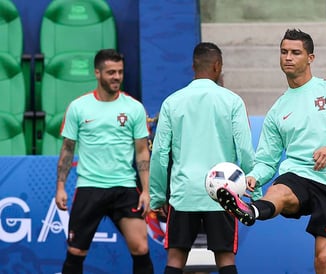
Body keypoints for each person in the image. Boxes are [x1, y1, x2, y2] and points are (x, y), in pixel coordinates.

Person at [216, 29, 326, 274]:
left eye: (295, 52)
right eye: (284, 52)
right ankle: (250, 211)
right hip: (298, 175)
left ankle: (255, 210)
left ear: (310, 58)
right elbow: (266, 161)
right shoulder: (277, 110)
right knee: (280, 191)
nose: (288, 57)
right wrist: (254, 177)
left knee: (324, 258)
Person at [149, 42, 257, 274]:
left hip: (184, 193)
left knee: (176, 258)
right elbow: (245, 150)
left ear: (193, 67)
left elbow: (159, 155)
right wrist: (252, 188)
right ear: (218, 66)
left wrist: (158, 196)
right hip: (223, 192)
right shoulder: (232, 101)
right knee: (225, 258)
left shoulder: (172, 102)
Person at [54, 49, 154, 274]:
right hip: (90, 187)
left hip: (124, 187)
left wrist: (146, 190)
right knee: (76, 253)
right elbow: (68, 149)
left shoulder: (134, 108)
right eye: (111, 72)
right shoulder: (79, 107)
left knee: (141, 247)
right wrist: (60, 187)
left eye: (120, 72)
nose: (117, 77)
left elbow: (141, 152)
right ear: (97, 73)